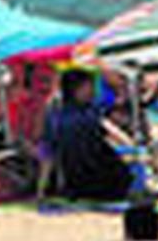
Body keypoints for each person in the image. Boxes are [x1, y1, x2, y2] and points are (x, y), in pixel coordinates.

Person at [43, 71, 133, 201]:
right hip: (98, 180)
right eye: (88, 87)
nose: (92, 92)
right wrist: (133, 147)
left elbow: (48, 149)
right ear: (75, 89)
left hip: (73, 184)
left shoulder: (55, 113)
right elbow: (114, 134)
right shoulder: (87, 114)